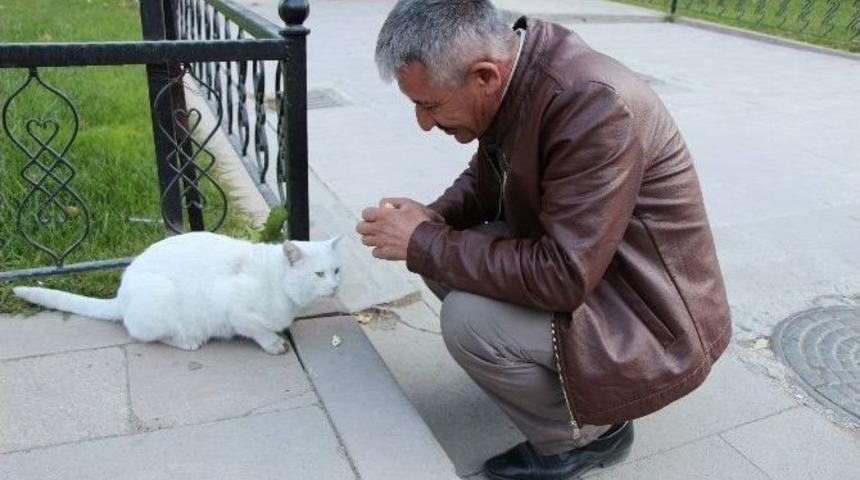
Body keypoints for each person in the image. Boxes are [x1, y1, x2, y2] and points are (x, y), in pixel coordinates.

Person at [356, 1, 731, 479]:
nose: (424, 123)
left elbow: (563, 277)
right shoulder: (523, 73)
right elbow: (488, 174)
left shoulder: (592, 105)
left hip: (652, 313)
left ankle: (588, 439)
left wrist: (424, 240)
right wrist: (433, 217)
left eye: (428, 105)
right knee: (442, 253)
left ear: (485, 77)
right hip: (604, 273)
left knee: (468, 318)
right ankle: (541, 386)